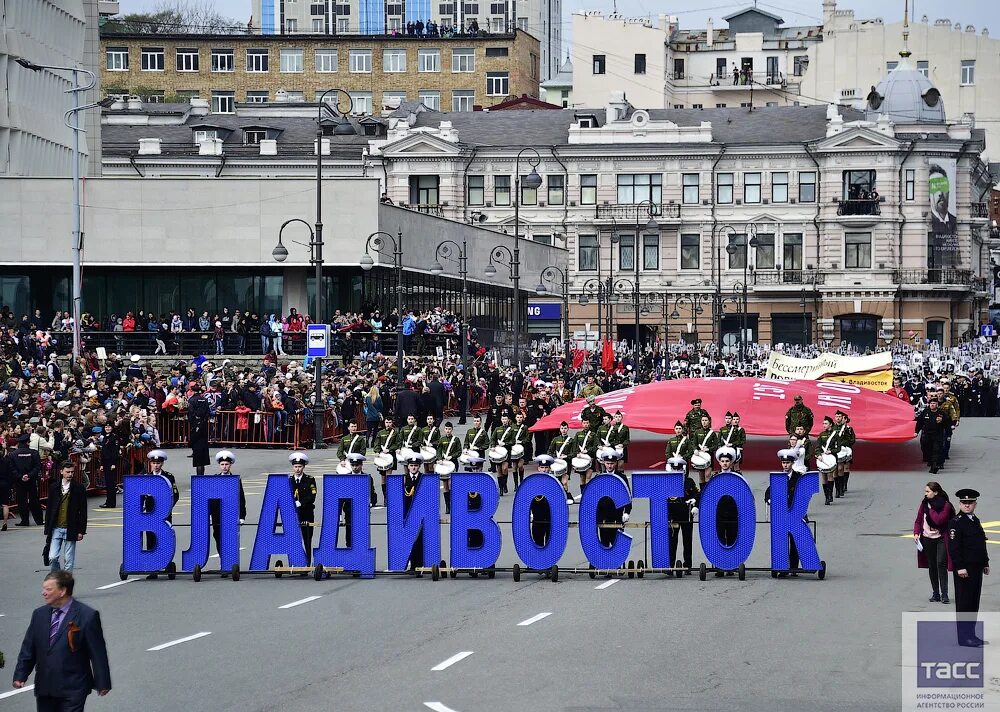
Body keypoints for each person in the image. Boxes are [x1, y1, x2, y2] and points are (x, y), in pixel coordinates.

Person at [13, 571, 112, 709]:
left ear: (62, 591)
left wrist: (103, 682)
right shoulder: (39, 615)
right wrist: (20, 675)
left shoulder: (87, 616)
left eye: (48, 589)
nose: (44, 593)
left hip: (73, 687)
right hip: (45, 688)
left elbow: (97, 652)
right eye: (43, 589)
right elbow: (29, 648)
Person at [947, 488, 990, 647]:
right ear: (959, 504)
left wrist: (985, 562)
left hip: (976, 567)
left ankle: (971, 634)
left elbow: (980, 543)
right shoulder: (956, 522)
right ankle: (964, 637)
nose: (967, 505)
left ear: (975, 504)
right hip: (964, 569)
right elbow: (954, 547)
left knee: (973, 602)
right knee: (964, 603)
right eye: (964, 503)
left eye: (970, 503)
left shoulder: (975, 520)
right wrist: (959, 567)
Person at [913, 482, 955, 604]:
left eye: (928, 491)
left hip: (941, 537)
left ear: (935, 492)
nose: (925, 494)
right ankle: (935, 593)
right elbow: (918, 519)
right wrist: (916, 532)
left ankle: (945, 594)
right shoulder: (924, 504)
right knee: (932, 565)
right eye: (925, 491)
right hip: (927, 538)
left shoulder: (945, 505)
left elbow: (939, 520)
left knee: (941, 563)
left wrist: (930, 509)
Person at [141, 450, 179, 577]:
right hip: (150, 514)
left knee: (164, 538)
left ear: (162, 464)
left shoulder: (169, 477)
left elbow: (175, 495)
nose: (156, 465)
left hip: (164, 514)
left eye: (158, 463)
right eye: (153, 463)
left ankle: (167, 564)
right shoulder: (146, 477)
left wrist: (167, 508)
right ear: (150, 464)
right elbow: (141, 496)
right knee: (151, 539)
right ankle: (152, 567)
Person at [45, 460, 88, 573]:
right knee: (52, 557)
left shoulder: (79, 488)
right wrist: (47, 528)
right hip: (56, 527)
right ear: (61, 472)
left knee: (68, 559)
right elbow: (49, 509)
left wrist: (81, 531)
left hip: (71, 527)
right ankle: (58, 577)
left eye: (72, 472)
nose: (70, 474)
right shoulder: (54, 487)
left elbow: (83, 511)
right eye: (67, 472)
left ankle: (66, 584)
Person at [209, 450, 247, 568]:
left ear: (230, 465)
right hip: (217, 515)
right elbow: (210, 498)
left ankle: (229, 563)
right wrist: (208, 514)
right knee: (218, 538)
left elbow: (241, 498)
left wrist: (241, 516)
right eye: (222, 464)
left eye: (226, 464)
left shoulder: (236, 479)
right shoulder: (215, 479)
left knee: (229, 540)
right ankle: (224, 562)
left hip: (231, 514)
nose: (224, 467)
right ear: (219, 465)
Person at [666, 455, 698, 574]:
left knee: (687, 540)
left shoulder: (689, 482)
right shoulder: (667, 482)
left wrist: (695, 504)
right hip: (672, 516)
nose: (676, 471)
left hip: (686, 515)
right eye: (674, 469)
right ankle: (670, 565)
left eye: (678, 469)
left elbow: (696, 494)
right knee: (671, 541)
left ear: (683, 469)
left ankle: (687, 565)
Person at [9, 433, 43, 526]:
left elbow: (12, 468)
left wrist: (21, 476)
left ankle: (24, 521)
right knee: (34, 500)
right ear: (28, 442)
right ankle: (39, 520)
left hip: (19, 481)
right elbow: (37, 467)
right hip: (31, 480)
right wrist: (29, 475)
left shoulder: (12, 454)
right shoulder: (34, 453)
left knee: (22, 501)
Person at [289, 452, 317, 564]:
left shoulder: (310, 479)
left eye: (300, 466)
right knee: (294, 539)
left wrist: (301, 503)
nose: (297, 469)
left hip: (307, 512)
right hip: (293, 514)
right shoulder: (289, 480)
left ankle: (308, 561)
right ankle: (296, 561)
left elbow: (312, 496)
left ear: (304, 467)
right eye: (295, 467)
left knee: (307, 539)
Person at [402, 453, 426, 576]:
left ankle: (419, 564)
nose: (413, 468)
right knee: (409, 540)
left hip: (421, 515)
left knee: (420, 540)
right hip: (407, 515)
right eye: (411, 465)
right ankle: (412, 564)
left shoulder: (424, 479)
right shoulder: (404, 479)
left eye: (416, 466)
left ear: (419, 466)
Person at [916, 399, 950, 474]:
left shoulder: (941, 413)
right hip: (927, 434)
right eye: (931, 403)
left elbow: (947, 424)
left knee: (936, 450)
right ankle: (931, 461)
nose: (932, 405)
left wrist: (949, 434)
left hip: (937, 434)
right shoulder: (925, 412)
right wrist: (916, 431)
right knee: (927, 449)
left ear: (937, 405)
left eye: (934, 403)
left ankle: (934, 466)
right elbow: (920, 422)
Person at [373, 416, 401, 507]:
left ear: (392, 423)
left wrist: (390, 449)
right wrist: (377, 451)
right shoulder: (380, 433)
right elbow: (376, 443)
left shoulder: (395, 433)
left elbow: (398, 444)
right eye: (386, 422)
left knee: (389, 475)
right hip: (382, 456)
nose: (388, 424)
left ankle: (388, 498)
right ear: (384, 423)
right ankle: (385, 496)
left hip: (391, 455)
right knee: (383, 477)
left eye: (389, 422)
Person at [187, 383, 211, 476]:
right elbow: (207, 412)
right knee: (203, 454)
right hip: (204, 426)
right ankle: (202, 475)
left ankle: (199, 476)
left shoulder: (192, 400)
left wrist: (193, 422)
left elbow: (191, 414)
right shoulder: (204, 400)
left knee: (197, 453)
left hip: (195, 427)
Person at [833, 409, 856, 496]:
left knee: (844, 468)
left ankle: (844, 485)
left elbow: (852, 440)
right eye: (837, 416)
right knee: (836, 470)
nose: (838, 418)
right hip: (836, 451)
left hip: (846, 451)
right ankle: (838, 487)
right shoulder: (833, 428)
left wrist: (844, 444)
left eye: (840, 416)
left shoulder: (848, 429)